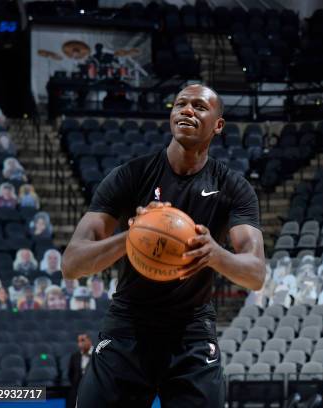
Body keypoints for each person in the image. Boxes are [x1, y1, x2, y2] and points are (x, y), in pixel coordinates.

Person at [62, 84, 265, 407]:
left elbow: (255, 274)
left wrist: (214, 253)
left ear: (218, 125)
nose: (186, 110)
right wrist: (131, 237)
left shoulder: (233, 188)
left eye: (199, 106)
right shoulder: (130, 175)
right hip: (129, 323)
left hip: (192, 332)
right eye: (180, 104)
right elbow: (71, 264)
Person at [68, 333, 94, 408]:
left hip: (93, 389)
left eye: (82, 340)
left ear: (89, 341)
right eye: (78, 341)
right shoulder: (75, 356)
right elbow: (70, 374)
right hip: (78, 390)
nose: (80, 343)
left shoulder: (97, 354)